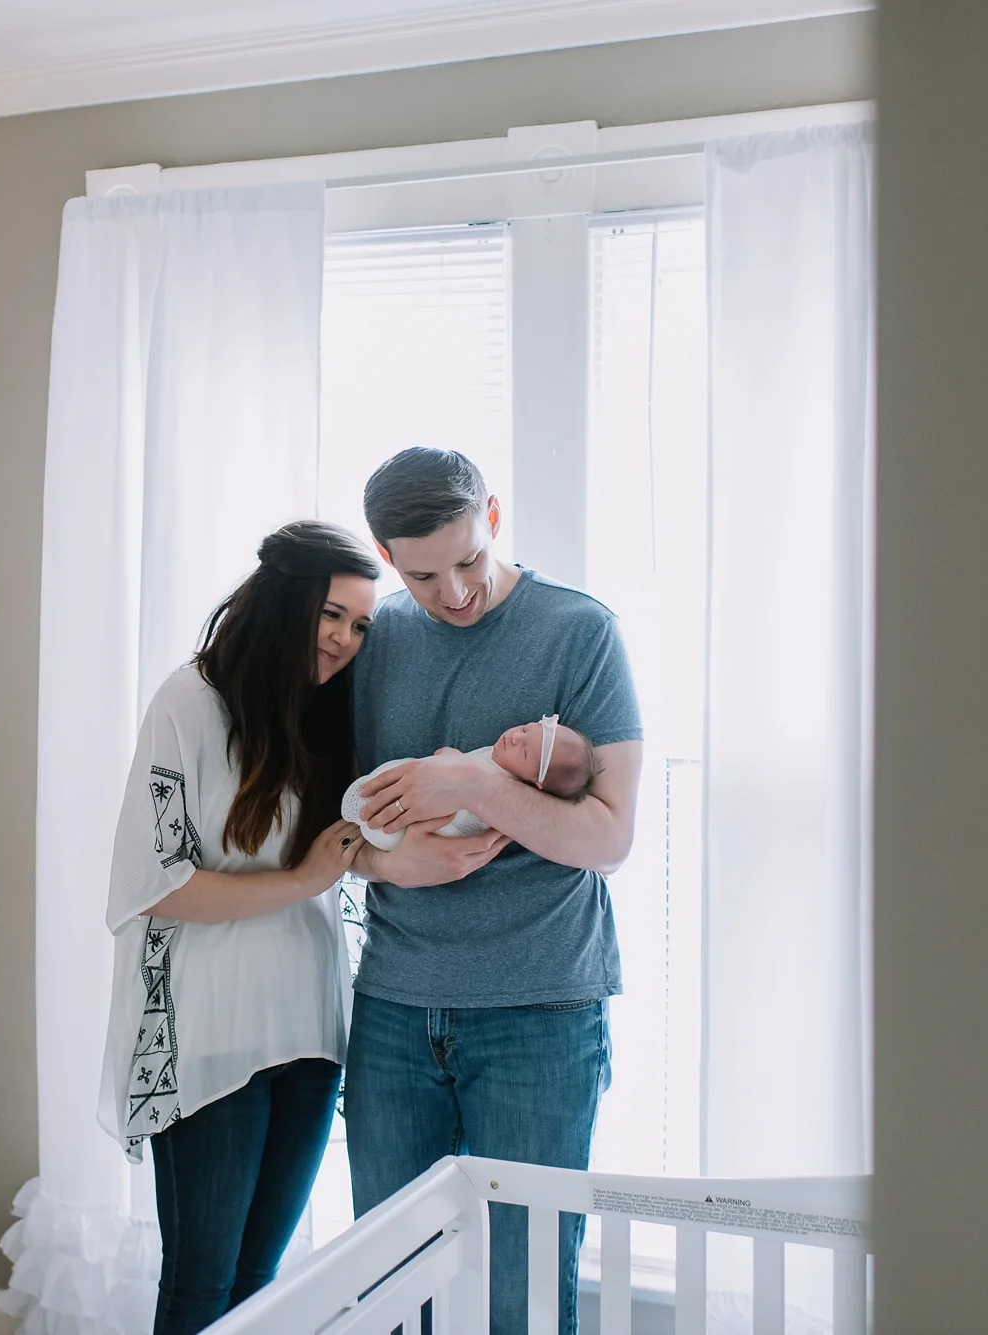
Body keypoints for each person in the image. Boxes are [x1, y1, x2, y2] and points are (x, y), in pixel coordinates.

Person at [344, 448, 644, 1335]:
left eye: (469, 560)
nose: (457, 592)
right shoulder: (377, 641)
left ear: (495, 517)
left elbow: (611, 836)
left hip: (541, 1013)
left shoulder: (579, 631)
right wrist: (386, 864)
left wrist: (472, 786)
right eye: (425, 572)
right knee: (393, 1290)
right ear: (386, 553)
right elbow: (340, 833)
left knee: (520, 1299)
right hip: (396, 1007)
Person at [99, 519, 381, 1335]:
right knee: (201, 1284)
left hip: (310, 1029)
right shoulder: (190, 701)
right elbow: (151, 885)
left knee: (261, 1285)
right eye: (333, 614)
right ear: (287, 600)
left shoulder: (331, 717)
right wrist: (299, 881)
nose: (344, 639)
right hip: (211, 1035)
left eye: (361, 625)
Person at [340, 714, 600, 851]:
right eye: (523, 729)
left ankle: (365, 808)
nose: (514, 738)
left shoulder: (506, 788)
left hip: (410, 831)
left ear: (535, 784)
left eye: (524, 751)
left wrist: (452, 760)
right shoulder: (500, 757)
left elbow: (465, 815)